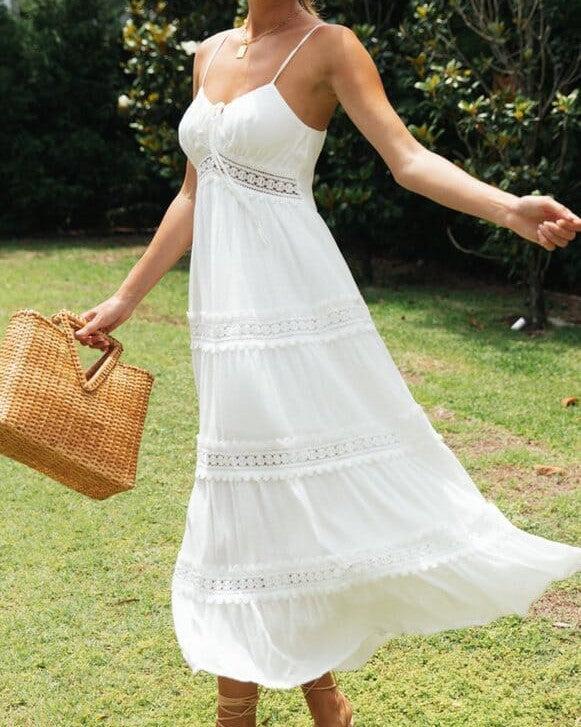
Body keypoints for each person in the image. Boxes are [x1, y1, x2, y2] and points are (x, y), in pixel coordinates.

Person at [74, 1, 581, 725]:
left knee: (264, 494)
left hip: (296, 308)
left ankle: (237, 711)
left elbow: (406, 159)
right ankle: (323, 700)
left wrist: (508, 208)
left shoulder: (329, 47)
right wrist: (125, 297)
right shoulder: (208, 51)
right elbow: (194, 191)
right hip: (223, 319)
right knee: (262, 495)